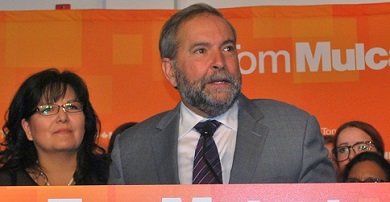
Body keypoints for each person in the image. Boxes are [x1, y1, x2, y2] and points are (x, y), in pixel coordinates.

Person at [108, 3, 336, 184]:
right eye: (201, 50)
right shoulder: (131, 150)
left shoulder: (295, 133)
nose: (219, 62)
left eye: (228, 48)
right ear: (171, 71)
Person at [0, 68, 110, 185]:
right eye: (48, 109)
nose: (63, 117)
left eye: (71, 107)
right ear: (27, 128)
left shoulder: (112, 177)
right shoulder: (6, 184)